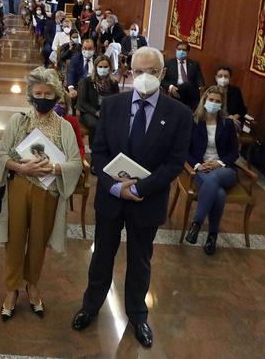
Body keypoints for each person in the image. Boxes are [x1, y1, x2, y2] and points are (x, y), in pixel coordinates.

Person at [72, 46, 192, 348]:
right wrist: (115, 186)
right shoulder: (112, 105)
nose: (145, 77)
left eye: (152, 72)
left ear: (162, 74)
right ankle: (91, 305)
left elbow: (175, 163)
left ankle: (138, 314)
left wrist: (140, 188)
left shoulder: (179, 113)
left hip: (147, 201)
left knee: (140, 259)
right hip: (111, 198)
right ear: (128, 72)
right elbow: (98, 151)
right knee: (102, 255)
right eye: (139, 71)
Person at [0, 67, 83, 321]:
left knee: (38, 240)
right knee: (14, 239)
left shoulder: (65, 127)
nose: (43, 97)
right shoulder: (18, 120)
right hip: (19, 187)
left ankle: (32, 285)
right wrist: (21, 166)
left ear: (56, 96)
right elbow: (3, 155)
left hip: (49, 190)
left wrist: (54, 167)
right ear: (31, 95)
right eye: (38, 93)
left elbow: (75, 162)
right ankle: (12, 288)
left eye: (48, 93)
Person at [185, 86, 239, 255]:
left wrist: (219, 162)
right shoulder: (194, 121)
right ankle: (212, 236)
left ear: (222, 105)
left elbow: (234, 153)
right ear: (204, 100)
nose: (214, 103)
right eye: (211, 100)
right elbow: (184, 150)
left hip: (224, 170)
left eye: (217, 101)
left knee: (214, 179)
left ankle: (196, 224)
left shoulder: (227, 124)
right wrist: (197, 166)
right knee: (219, 194)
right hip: (201, 169)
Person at [77, 55, 120, 134]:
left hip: (107, 112)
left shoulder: (114, 83)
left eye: (105, 67)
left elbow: (117, 102)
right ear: (95, 67)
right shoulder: (87, 82)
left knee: (116, 124)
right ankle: (95, 146)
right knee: (96, 125)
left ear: (110, 68)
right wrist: (96, 112)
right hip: (90, 112)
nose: (103, 69)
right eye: (100, 67)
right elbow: (82, 103)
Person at [162, 40, 205, 111]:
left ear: (187, 52)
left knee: (188, 86)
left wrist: (201, 87)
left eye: (184, 50)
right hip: (175, 89)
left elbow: (199, 78)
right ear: (176, 50)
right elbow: (162, 80)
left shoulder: (194, 64)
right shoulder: (168, 63)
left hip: (190, 90)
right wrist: (170, 86)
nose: (181, 51)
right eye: (179, 49)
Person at [55, 95, 86, 160]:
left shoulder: (72, 121)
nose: (57, 106)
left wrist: (76, 160)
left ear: (66, 106)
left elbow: (80, 147)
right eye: (54, 102)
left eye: (61, 103)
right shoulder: (40, 122)